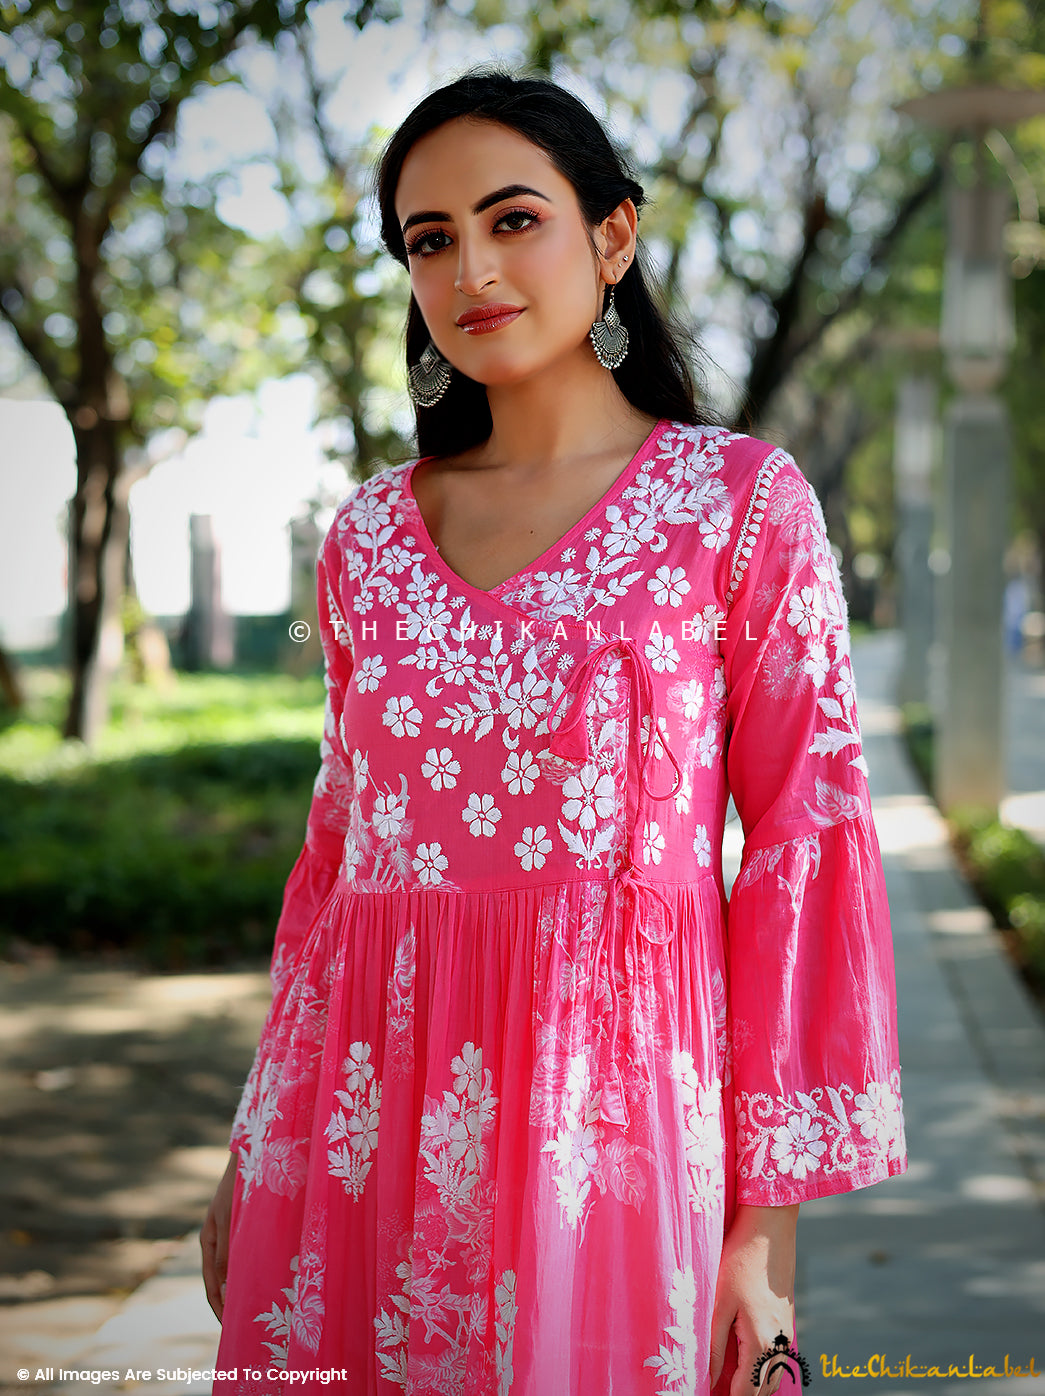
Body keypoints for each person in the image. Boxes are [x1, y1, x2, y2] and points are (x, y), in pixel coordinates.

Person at [201, 65, 908, 1396]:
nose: (470, 265)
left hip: (615, 1145)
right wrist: (260, 1142)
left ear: (612, 236)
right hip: (360, 1135)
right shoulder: (365, 539)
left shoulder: (736, 509)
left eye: (510, 218)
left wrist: (762, 1248)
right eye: (429, 238)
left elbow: (802, 850)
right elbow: (336, 867)